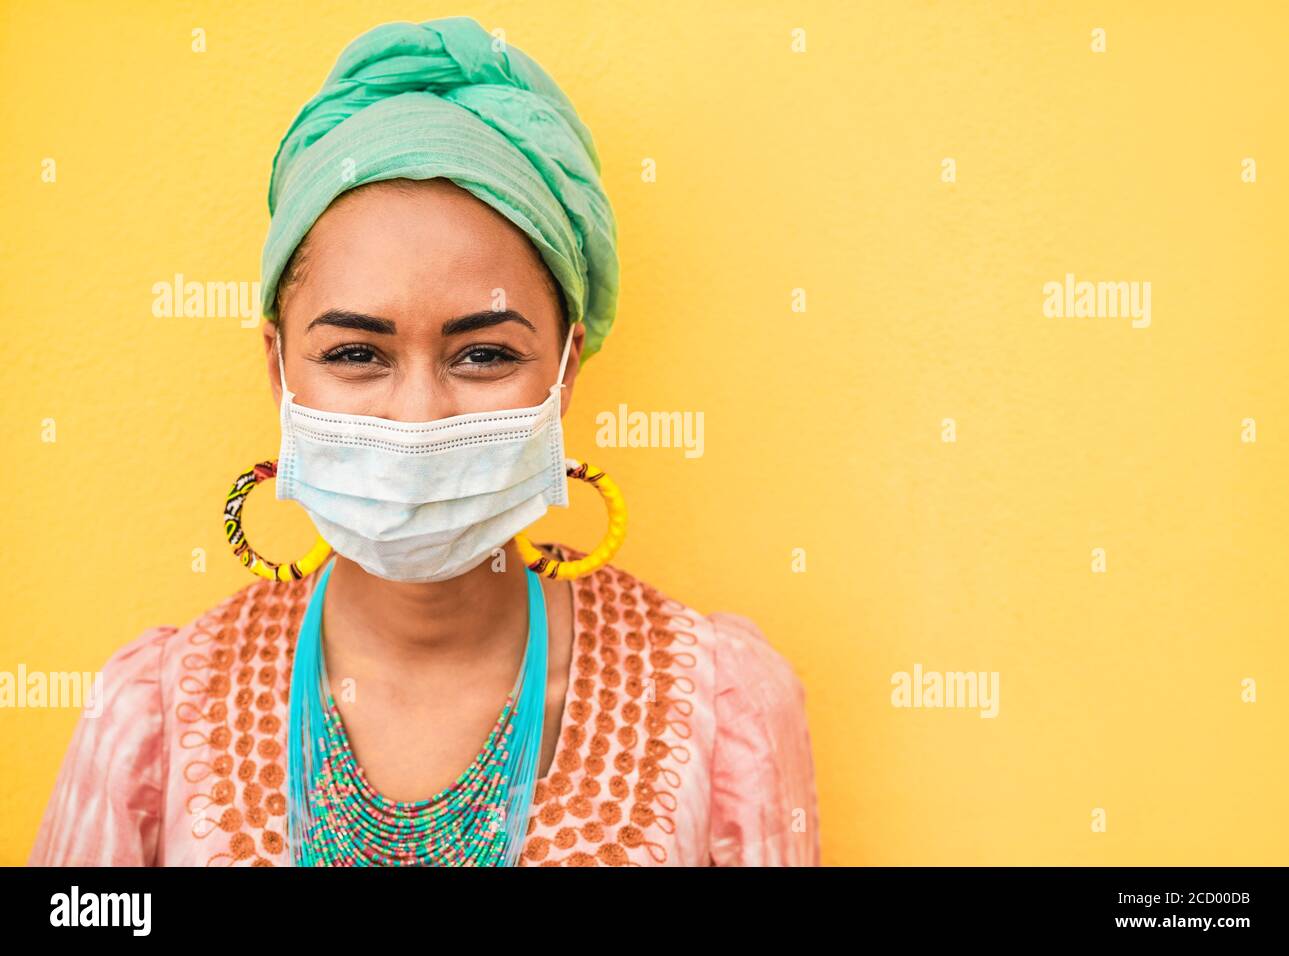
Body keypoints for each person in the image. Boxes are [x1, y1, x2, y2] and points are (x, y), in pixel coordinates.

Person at [28, 15, 818, 867]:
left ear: (566, 372)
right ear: (279, 369)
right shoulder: (148, 722)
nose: (417, 417)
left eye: (484, 354)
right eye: (356, 354)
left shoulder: (720, 711)